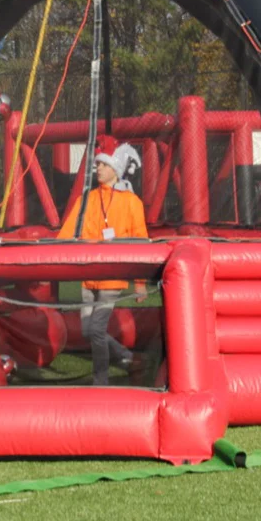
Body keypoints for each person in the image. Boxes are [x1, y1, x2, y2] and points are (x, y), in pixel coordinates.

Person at [58, 136, 149, 385]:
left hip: (113, 278)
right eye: (97, 164)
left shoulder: (131, 202)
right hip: (88, 277)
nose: (97, 168)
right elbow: (67, 233)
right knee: (88, 331)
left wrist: (140, 283)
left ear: (115, 169)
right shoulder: (86, 199)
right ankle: (128, 357)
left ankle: (101, 380)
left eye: (103, 165)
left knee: (96, 330)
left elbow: (141, 242)